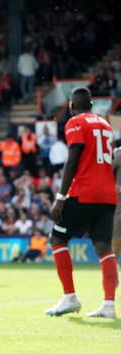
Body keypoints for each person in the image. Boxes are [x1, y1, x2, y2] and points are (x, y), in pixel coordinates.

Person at [46, 87, 117, 318]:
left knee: (57, 238)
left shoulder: (76, 122)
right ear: (92, 105)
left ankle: (69, 297)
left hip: (85, 191)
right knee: (103, 247)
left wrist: (60, 197)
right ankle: (109, 305)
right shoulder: (106, 125)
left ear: (71, 106)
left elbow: (72, 159)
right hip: (108, 195)